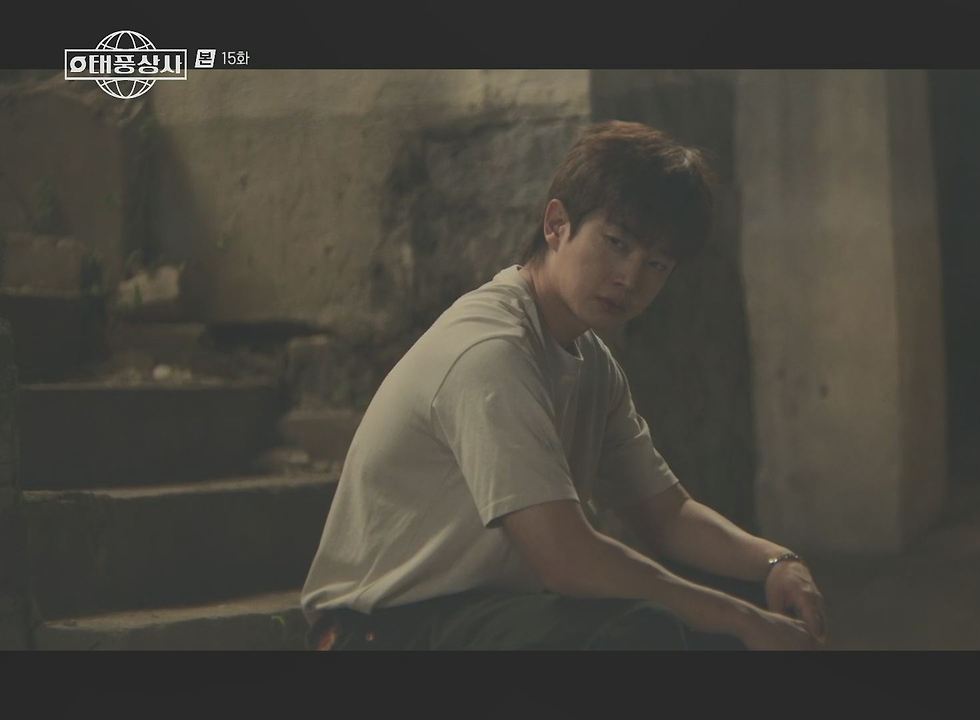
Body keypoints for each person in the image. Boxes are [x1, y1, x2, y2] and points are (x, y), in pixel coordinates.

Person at [300, 120, 827, 651]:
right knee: (649, 631)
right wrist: (739, 619)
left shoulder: (591, 362)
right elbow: (568, 559)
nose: (629, 278)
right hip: (381, 629)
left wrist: (777, 563)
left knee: (736, 618)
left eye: (656, 264)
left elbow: (666, 515)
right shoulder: (490, 351)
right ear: (557, 225)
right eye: (616, 243)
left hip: (487, 612)